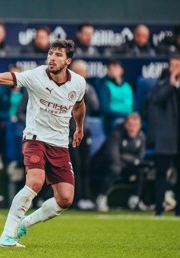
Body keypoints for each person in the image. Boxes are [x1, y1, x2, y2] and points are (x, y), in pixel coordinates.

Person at [0, 39, 86, 247]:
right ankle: (7, 235)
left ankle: (26, 223)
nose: (52, 58)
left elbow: (79, 105)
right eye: (50, 53)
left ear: (68, 60)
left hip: (59, 145)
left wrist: (80, 128)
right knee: (35, 182)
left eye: (58, 55)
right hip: (35, 139)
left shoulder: (78, 82)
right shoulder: (35, 76)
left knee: (65, 199)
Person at [148, 55, 180, 217]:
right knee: (161, 173)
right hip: (166, 137)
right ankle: (158, 209)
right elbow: (156, 99)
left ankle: (179, 209)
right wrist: (171, 83)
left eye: (178, 65)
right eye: (172, 65)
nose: (174, 68)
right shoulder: (162, 84)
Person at [94, 113, 147, 212]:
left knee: (143, 169)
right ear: (125, 125)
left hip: (125, 165)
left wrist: (124, 157)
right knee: (115, 169)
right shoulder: (116, 133)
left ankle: (134, 199)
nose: (133, 129)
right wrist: (131, 159)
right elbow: (113, 156)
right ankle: (101, 197)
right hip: (104, 164)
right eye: (130, 125)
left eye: (136, 126)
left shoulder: (142, 137)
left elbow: (140, 159)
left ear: (139, 126)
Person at [69, 60, 100, 210]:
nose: (81, 75)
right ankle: (76, 198)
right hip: (69, 132)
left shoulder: (89, 88)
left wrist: (85, 90)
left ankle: (86, 197)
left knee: (86, 166)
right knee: (75, 166)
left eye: (83, 72)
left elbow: (95, 106)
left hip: (83, 131)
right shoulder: (66, 87)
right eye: (77, 72)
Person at [98, 59, 134, 134]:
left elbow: (135, 105)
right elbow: (105, 109)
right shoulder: (105, 86)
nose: (113, 70)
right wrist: (124, 115)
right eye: (110, 68)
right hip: (112, 119)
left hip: (129, 118)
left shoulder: (128, 86)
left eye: (116, 68)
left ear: (122, 71)